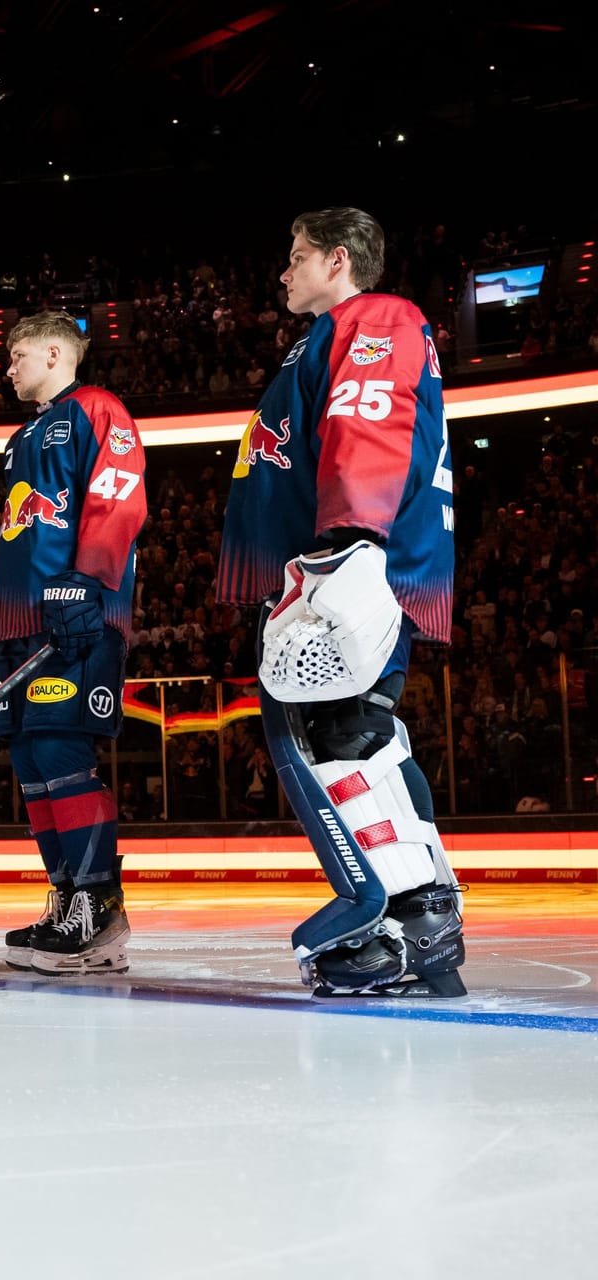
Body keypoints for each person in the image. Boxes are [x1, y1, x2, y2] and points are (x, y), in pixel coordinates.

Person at [218, 207, 464, 998]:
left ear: (335, 260)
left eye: (295, 257)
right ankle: (421, 912)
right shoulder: (323, 338)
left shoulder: (375, 317)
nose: (284, 272)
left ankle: (395, 922)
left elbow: (371, 418)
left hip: (354, 560)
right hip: (329, 562)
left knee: (346, 730)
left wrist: (349, 541)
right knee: (353, 728)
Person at [0, 311, 148, 975]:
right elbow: (21, 533)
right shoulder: (22, 435)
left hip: (77, 617)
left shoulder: (96, 409)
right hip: (22, 624)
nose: (8, 370)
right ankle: (68, 896)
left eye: (15, 358)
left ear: (50, 353)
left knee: (64, 754)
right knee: (33, 764)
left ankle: (99, 904)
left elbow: (118, 498)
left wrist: (85, 582)